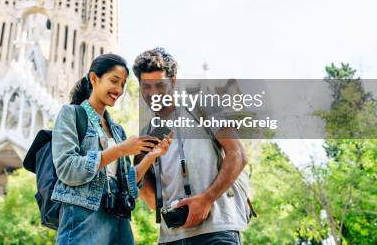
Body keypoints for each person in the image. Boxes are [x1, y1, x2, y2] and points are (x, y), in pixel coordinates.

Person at [52, 53, 172, 245]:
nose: (118, 89)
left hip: (119, 222)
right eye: (114, 81)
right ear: (94, 78)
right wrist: (120, 150)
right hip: (84, 220)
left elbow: (128, 186)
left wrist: (151, 156)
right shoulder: (72, 114)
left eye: (123, 84)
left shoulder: (117, 131)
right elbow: (67, 168)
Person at [133, 48, 250, 245]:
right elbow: (143, 185)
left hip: (217, 231)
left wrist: (206, 199)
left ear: (174, 81)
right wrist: (169, 209)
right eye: (146, 86)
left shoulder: (201, 106)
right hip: (171, 237)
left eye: (160, 85)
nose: (153, 94)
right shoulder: (147, 132)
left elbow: (238, 153)